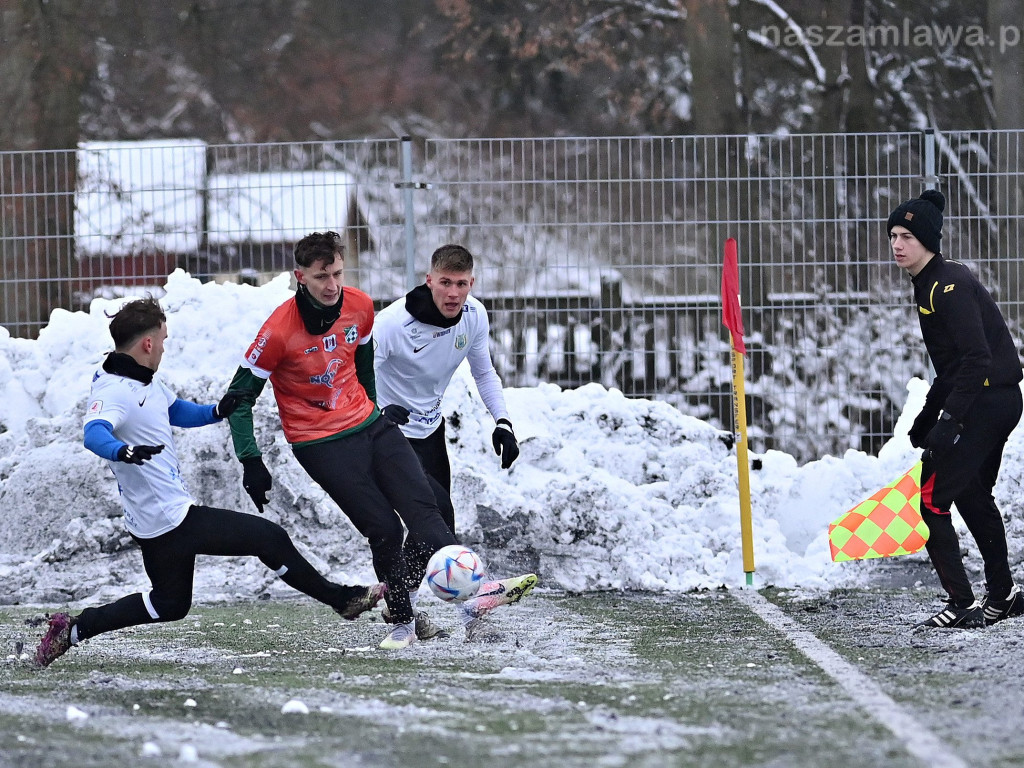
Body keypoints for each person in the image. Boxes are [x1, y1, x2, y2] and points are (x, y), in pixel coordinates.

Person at [32, 298, 385, 669]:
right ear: (148, 344)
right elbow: (94, 434)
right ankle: (341, 599)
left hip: (154, 519)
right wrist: (123, 451)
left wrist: (216, 412)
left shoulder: (140, 378)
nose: (164, 347)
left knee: (169, 604)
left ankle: (73, 630)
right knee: (268, 538)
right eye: (163, 340)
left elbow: (173, 409)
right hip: (169, 518)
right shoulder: (114, 390)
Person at [224, 231, 470, 650]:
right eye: (322, 276)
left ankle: (475, 601)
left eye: (338, 273)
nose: (332, 285)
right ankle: (403, 623)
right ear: (301, 276)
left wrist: (374, 407)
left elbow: (363, 359)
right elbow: (239, 398)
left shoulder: (360, 306)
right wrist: (251, 460)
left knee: (431, 509)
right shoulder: (278, 332)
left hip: (369, 424)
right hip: (320, 443)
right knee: (385, 528)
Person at [373, 244, 536, 640]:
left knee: (432, 527)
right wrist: (376, 413)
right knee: (435, 512)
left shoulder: (474, 315)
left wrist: (503, 422)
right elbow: (353, 375)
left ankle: (402, 613)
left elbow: (484, 372)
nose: (453, 293)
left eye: (461, 284)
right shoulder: (391, 324)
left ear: (471, 284)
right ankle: (475, 598)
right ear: (429, 280)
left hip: (431, 432)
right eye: (445, 282)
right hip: (387, 435)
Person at [889, 189, 1024, 629]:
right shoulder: (931, 282)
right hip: (993, 399)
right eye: (893, 236)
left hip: (988, 401)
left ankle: (962, 604)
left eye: (907, 236)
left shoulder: (948, 285)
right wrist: (928, 416)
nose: (897, 245)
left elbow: (977, 359)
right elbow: (952, 366)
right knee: (970, 493)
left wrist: (949, 420)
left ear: (928, 241)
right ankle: (1002, 596)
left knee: (932, 498)